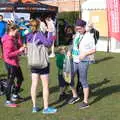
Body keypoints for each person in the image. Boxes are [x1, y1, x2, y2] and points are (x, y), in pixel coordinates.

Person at [26, 19, 57, 114]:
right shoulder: (39, 34)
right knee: (45, 86)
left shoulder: (29, 35)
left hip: (33, 63)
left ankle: (34, 107)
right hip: (42, 63)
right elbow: (48, 44)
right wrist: (50, 33)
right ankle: (46, 108)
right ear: (39, 26)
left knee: (34, 85)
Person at [68, 19, 96, 109]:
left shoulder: (89, 36)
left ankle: (85, 102)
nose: (78, 30)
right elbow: (74, 45)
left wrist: (85, 54)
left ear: (84, 27)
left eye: (79, 28)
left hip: (83, 61)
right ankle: (75, 96)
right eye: (77, 29)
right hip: (74, 60)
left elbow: (94, 50)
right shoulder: (77, 34)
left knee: (83, 81)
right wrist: (69, 50)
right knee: (69, 79)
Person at [1, 24, 25, 107]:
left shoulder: (13, 38)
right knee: (10, 82)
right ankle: (8, 101)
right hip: (10, 63)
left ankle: (15, 95)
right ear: (11, 30)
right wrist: (19, 51)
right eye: (17, 31)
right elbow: (8, 55)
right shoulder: (7, 40)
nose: (18, 33)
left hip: (15, 62)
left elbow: (19, 45)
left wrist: (19, 38)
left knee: (20, 78)